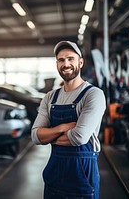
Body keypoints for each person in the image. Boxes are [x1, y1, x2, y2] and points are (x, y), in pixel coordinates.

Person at [31, 40, 106, 199]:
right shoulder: (50, 97)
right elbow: (35, 136)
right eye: (61, 60)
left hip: (82, 177)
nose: (66, 64)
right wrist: (63, 127)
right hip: (53, 175)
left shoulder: (93, 95)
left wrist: (49, 136)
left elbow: (79, 137)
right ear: (57, 64)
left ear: (80, 62)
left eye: (70, 59)